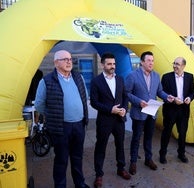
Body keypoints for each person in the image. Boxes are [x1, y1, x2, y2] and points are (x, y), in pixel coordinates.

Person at [34, 50, 89, 188]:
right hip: (60, 127)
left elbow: (84, 97)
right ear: (56, 62)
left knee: (77, 158)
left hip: (79, 125)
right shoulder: (46, 81)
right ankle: (60, 186)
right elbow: (39, 105)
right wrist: (53, 115)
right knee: (61, 160)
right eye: (65, 59)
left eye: (70, 59)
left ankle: (80, 184)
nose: (69, 61)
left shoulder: (78, 77)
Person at [125, 51, 174, 175]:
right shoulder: (132, 76)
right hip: (138, 113)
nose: (151, 63)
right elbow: (126, 93)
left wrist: (166, 97)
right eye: (148, 61)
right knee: (136, 138)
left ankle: (148, 159)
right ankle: (133, 161)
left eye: (152, 60)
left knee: (148, 138)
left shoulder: (156, 76)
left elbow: (160, 91)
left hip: (151, 114)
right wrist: (138, 101)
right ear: (142, 62)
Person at [90, 53, 131, 188]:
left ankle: (121, 168)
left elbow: (125, 96)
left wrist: (125, 108)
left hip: (119, 119)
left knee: (120, 145)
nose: (112, 66)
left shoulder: (120, 79)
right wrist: (109, 109)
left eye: (114, 64)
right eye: (109, 64)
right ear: (102, 65)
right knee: (101, 147)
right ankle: (99, 175)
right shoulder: (96, 81)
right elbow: (94, 102)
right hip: (104, 120)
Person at [159, 57, 194, 164]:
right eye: (174, 63)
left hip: (184, 110)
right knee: (166, 132)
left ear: (183, 66)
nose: (175, 66)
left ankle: (181, 154)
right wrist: (174, 100)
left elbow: (192, 91)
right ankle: (162, 154)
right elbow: (162, 93)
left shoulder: (189, 77)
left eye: (178, 64)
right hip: (170, 110)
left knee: (182, 133)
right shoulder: (166, 77)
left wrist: (189, 98)